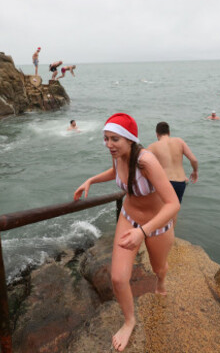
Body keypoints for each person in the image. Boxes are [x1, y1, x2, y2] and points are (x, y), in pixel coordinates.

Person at [74, 113, 179, 352]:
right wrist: (90, 180)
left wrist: (143, 232)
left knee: (159, 268)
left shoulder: (146, 161)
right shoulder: (118, 155)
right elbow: (115, 173)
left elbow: (173, 204)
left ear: (130, 140)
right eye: (106, 138)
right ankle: (130, 321)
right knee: (118, 277)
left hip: (156, 224)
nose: (109, 144)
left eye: (115, 139)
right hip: (128, 217)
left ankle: (161, 282)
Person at [147, 121, 198, 219]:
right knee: (173, 212)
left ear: (157, 134)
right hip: (180, 183)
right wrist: (195, 171)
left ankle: (159, 233)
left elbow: (143, 163)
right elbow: (194, 160)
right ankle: (171, 233)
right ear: (169, 133)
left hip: (165, 183)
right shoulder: (179, 141)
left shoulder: (153, 146)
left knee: (160, 213)